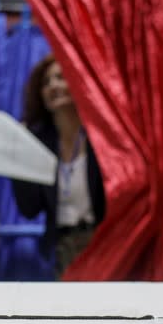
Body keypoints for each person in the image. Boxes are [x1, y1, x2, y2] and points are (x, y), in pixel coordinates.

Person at [11, 55, 106, 279]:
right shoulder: (40, 144)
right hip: (60, 248)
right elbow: (29, 208)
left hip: (103, 243)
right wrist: (17, 161)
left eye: (61, 78)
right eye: (47, 82)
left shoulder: (100, 140)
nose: (54, 85)